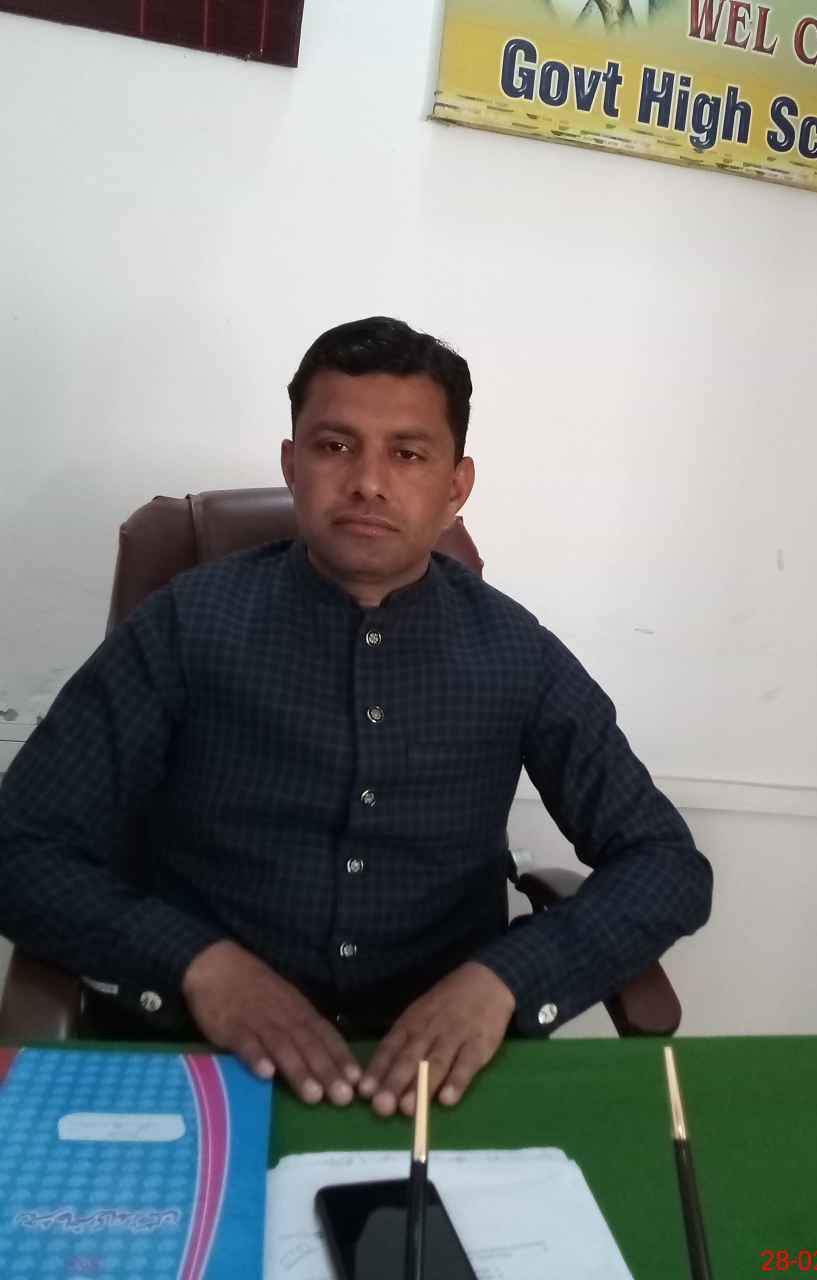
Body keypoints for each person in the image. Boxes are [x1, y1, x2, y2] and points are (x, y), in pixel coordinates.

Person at [0, 317, 712, 1118]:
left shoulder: (517, 652)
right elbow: (19, 847)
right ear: (291, 463)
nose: (369, 482)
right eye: (335, 445)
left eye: (407, 454)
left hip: (436, 1078)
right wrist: (199, 964)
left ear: (456, 486)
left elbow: (666, 864)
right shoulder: (185, 626)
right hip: (199, 1059)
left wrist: (506, 979)